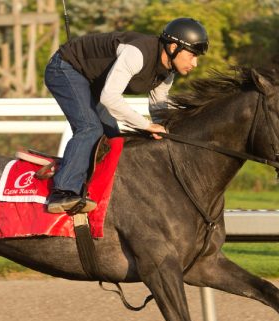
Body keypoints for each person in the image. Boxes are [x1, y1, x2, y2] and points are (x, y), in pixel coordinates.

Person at [44, 18, 209, 213]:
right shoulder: (136, 54)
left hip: (92, 81)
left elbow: (158, 109)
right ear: (174, 47)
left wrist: (166, 131)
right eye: (192, 55)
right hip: (65, 67)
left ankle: (95, 191)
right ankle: (62, 192)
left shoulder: (167, 73)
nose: (195, 63)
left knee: (113, 138)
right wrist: (146, 126)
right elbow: (109, 98)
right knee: (90, 128)